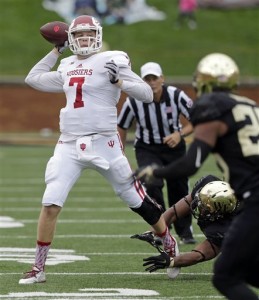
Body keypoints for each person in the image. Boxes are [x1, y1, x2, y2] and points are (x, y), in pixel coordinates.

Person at [18, 14, 178, 284]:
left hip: (106, 142)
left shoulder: (112, 60)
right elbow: (33, 79)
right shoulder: (67, 64)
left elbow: (147, 94)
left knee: (137, 202)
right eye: (79, 35)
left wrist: (120, 83)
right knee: (50, 203)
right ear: (71, 38)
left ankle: (170, 245)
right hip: (69, 143)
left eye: (89, 34)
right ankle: (38, 268)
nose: (84, 39)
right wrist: (55, 51)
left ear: (98, 35)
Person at [133, 53, 259, 299]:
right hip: (250, 195)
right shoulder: (249, 104)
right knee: (245, 271)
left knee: (225, 276)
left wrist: (155, 171)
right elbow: (181, 206)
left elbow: (191, 163)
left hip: (254, 196)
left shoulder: (212, 108)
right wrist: (161, 231)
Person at [117, 61, 196, 244]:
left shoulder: (176, 95)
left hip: (174, 147)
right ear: (142, 81)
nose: (151, 82)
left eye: (154, 78)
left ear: (162, 79)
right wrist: (119, 151)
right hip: (147, 148)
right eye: (147, 79)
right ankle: (160, 232)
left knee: (179, 188)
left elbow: (196, 119)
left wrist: (179, 133)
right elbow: (121, 126)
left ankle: (185, 231)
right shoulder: (133, 100)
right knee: (152, 184)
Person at [131, 174, 237, 279]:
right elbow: (173, 212)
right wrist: (152, 231)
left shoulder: (228, 228)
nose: (199, 204)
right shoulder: (208, 185)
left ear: (219, 213)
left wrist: (171, 261)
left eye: (205, 206)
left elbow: (198, 255)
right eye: (201, 200)